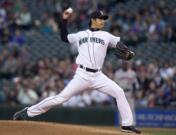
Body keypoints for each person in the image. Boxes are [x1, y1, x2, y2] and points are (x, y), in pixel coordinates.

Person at [13, 8, 141, 134]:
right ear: (93, 20)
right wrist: (64, 20)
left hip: (98, 75)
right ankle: (27, 112)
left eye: (104, 19)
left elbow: (119, 44)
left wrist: (128, 51)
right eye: (101, 19)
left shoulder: (106, 35)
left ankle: (127, 125)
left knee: (119, 92)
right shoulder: (80, 35)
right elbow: (64, 37)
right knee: (61, 98)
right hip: (82, 75)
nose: (103, 21)